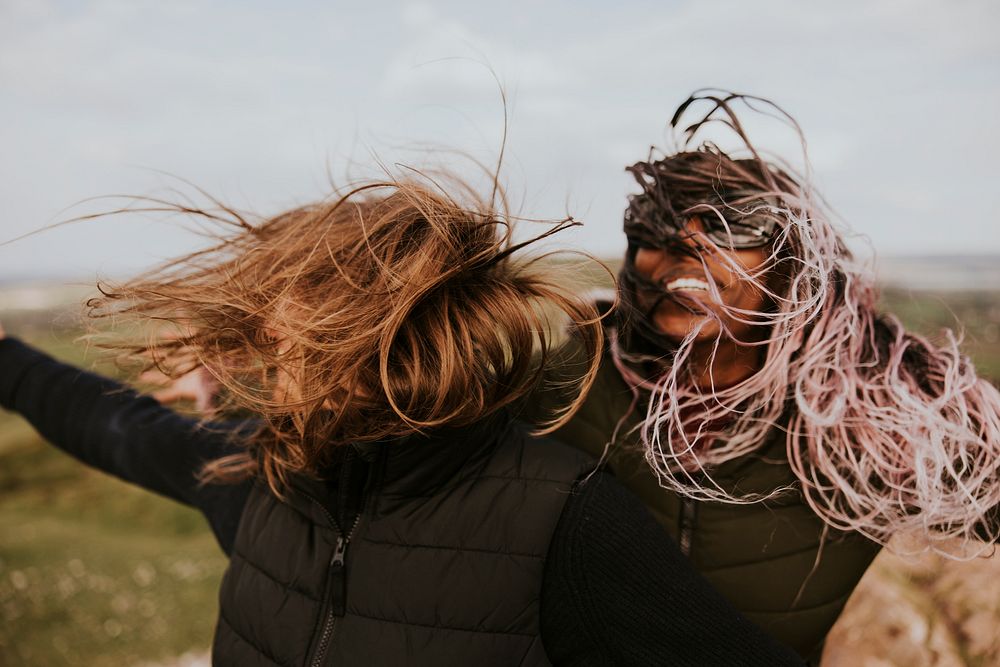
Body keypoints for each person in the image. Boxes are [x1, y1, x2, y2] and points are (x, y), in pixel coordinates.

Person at [0, 172, 805, 665]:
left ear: (386, 336)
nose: (262, 343)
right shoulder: (267, 473)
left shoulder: (561, 517)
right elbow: (113, 426)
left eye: (285, 323)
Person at [530, 91, 1000, 663]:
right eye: (654, 229)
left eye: (731, 226)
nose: (686, 244)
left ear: (792, 260)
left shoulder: (876, 412)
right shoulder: (570, 375)